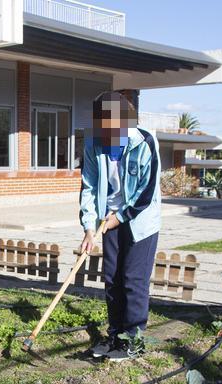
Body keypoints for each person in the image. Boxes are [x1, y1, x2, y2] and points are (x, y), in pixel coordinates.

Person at [79, 90, 163, 362]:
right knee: (112, 278)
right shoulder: (93, 143)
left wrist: (119, 217)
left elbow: (146, 192)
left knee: (132, 280)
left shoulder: (145, 142)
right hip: (108, 218)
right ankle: (115, 335)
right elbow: (89, 187)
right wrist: (89, 227)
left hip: (140, 219)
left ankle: (134, 340)